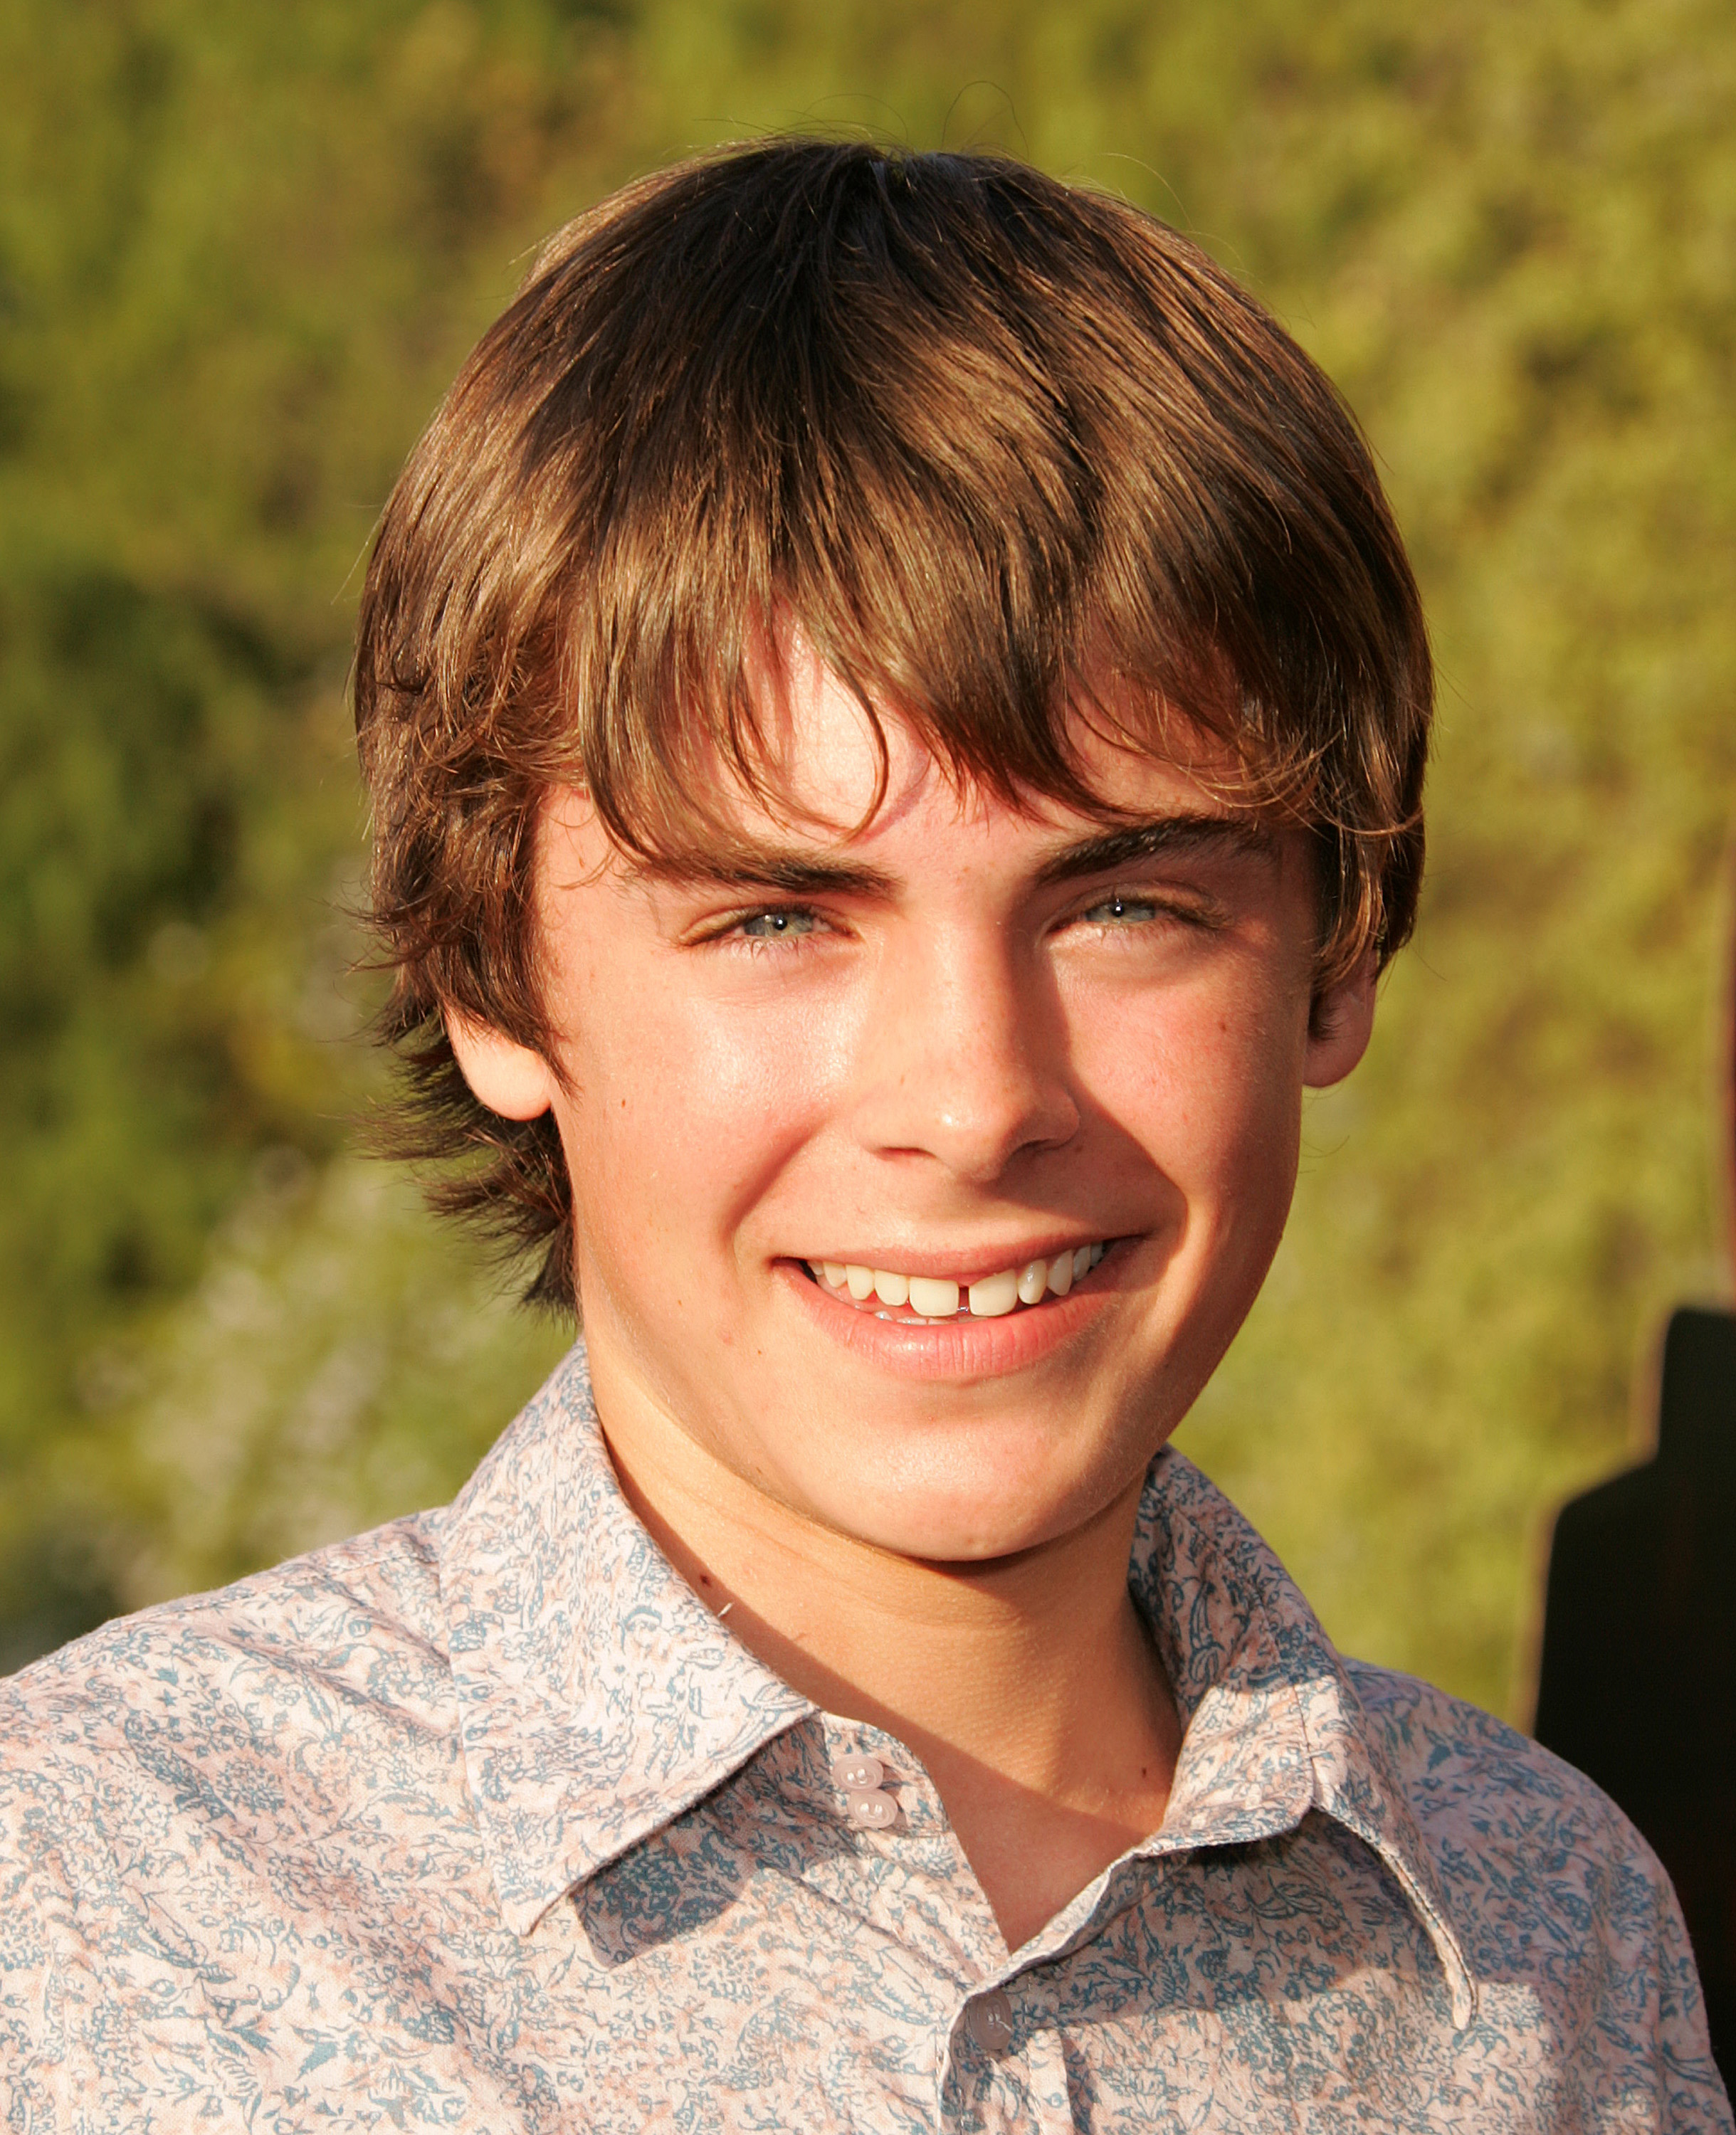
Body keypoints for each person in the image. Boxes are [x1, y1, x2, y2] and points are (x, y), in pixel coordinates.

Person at [1, 139, 1727, 2133]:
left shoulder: (1556, 1938)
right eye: (778, 919)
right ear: (492, 981)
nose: (974, 1099)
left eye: (1123, 905)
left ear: (1336, 955)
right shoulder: (91, 1928)